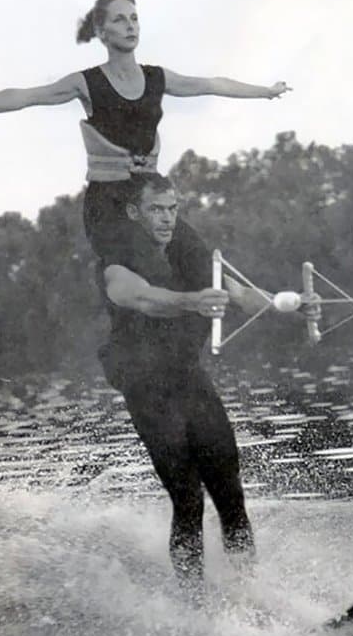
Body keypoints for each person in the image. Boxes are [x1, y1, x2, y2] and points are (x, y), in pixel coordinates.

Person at [0, 0, 291, 272]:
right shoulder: (87, 82)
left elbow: (213, 84)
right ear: (100, 30)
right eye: (119, 20)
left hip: (151, 195)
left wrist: (266, 93)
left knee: (198, 260)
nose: (130, 26)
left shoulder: (157, 77)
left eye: (134, 18)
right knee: (143, 273)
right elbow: (24, 96)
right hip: (109, 203)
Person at [99, 171, 278, 595]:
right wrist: (192, 302)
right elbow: (139, 296)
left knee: (230, 492)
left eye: (172, 209)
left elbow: (244, 294)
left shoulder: (192, 256)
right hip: (145, 383)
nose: (166, 218)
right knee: (188, 497)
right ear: (134, 213)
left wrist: (293, 304)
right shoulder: (114, 261)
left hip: (186, 376)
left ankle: (251, 593)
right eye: (156, 210)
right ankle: (194, 605)